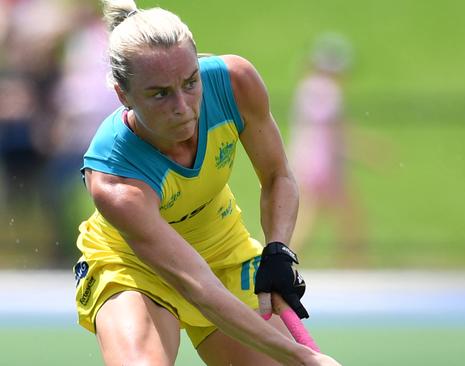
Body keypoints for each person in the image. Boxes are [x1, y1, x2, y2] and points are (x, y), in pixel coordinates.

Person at [73, 1, 340, 365]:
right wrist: (303, 357)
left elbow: (278, 176)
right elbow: (196, 286)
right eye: (160, 94)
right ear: (123, 95)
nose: (183, 106)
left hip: (224, 251)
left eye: (189, 83)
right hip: (133, 267)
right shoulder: (114, 179)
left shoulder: (234, 82)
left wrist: (277, 250)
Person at [288, 33, 368, 266]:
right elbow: (336, 131)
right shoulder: (327, 91)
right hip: (323, 164)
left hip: (306, 160)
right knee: (328, 217)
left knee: (340, 216)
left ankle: (353, 262)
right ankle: (353, 264)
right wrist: (367, 150)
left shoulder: (307, 88)